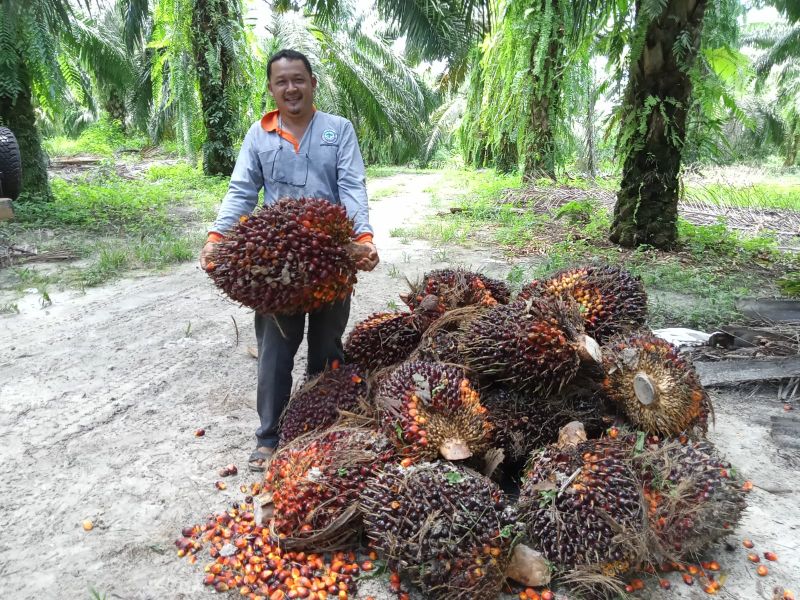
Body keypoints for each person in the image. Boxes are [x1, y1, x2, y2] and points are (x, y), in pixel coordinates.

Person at [199, 49, 379, 472]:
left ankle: (321, 425)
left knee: (327, 346)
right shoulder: (259, 135)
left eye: (298, 79)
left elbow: (352, 186)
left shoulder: (339, 130)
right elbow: (241, 190)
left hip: (330, 261)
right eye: (282, 82)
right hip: (277, 265)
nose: (291, 88)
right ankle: (269, 436)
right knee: (275, 351)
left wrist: (363, 238)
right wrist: (217, 237)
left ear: (312, 83)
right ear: (271, 89)